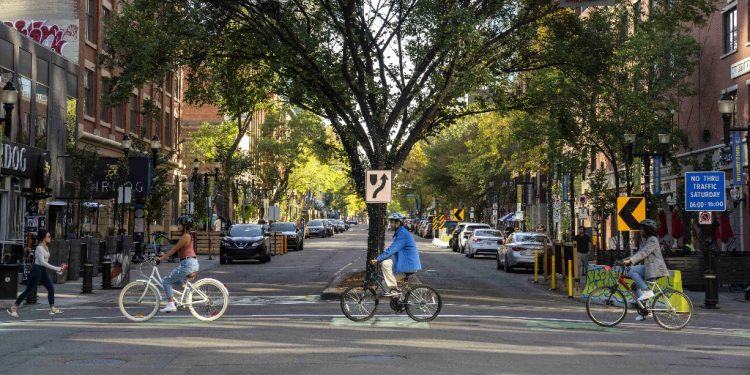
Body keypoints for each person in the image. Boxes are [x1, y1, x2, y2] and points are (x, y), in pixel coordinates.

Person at [7, 229, 66, 318]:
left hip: (43, 271)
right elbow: (42, 262)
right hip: (37, 271)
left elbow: (46, 261)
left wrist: (58, 270)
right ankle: (13, 307)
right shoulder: (39, 248)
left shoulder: (46, 247)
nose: (50, 238)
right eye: (48, 236)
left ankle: (52, 308)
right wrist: (56, 268)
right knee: (29, 291)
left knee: (51, 288)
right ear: (43, 238)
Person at [623, 219, 670, 321]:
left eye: (642, 228)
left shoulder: (653, 239)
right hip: (649, 267)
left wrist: (630, 261)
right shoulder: (647, 240)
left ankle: (647, 291)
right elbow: (639, 252)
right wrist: (625, 260)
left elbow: (644, 253)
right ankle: (644, 311)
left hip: (655, 268)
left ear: (648, 229)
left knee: (631, 270)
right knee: (634, 286)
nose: (640, 230)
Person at [369, 213, 422, 297]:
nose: (390, 224)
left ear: (398, 223)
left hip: (408, 265)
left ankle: (394, 289)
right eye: (390, 222)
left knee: (385, 263)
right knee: (384, 284)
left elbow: (392, 249)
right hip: (404, 264)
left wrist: (378, 259)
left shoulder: (403, 234)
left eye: (392, 222)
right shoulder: (401, 232)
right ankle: (399, 300)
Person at [157, 215, 199, 313]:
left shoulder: (186, 236)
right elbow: (176, 249)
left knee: (166, 281)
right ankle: (188, 292)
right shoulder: (186, 236)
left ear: (185, 225)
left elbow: (174, 249)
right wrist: (163, 254)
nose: (178, 225)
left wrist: (162, 258)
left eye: (179, 223)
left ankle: (171, 304)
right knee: (175, 281)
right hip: (188, 263)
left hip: (188, 264)